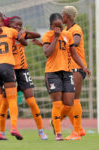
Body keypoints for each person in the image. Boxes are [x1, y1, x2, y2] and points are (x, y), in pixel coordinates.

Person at [41, 13, 90, 141]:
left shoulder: (68, 35)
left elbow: (74, 54)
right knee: (57, 104)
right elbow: (47, 53)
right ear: (51, 26)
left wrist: (83, 66)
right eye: (56, 25)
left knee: (68, 104)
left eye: (61, 25)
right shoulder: (48, 35)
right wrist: (56, 38)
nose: (59, 27)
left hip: (67, 73)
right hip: (52, 73)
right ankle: (58, 133)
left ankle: (55, 121)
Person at [0, 16, 48, 140]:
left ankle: (41, 131)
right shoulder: (6, 34)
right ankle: (2, 132)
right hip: (9, 69)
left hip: (22, 70)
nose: (18, 27)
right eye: (16, 24)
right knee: (5, 103)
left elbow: (36, 35)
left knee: (31, 101)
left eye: (20, 25)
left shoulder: (21, 34)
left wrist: (24, 31)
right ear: (9, 25)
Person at [0, 10, 27, 140]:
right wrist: (21, 35)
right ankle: (14, 127)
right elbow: (23, 42)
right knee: (12, 99)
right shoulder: (10, 31)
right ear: (0, 18)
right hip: (6, 65)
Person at [61, 6, 88, 140]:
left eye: (63, 14)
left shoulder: (75, 29)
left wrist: (65, 41)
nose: (61, 17)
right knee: (67, 100)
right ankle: (79, 129)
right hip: (68, 69)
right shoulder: (65, 30)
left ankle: (76, 132)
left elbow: (75, 42)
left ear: (68, 16)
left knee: (74, 99)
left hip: (77, 68)